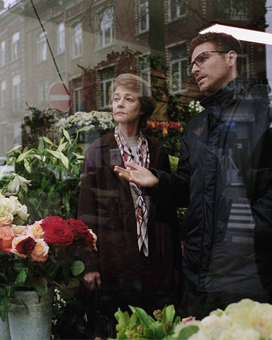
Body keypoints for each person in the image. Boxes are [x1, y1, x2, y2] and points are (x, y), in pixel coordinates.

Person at [115, 32, 272, 317]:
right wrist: (158, 181)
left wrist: (253, 225)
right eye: (191, 63)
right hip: (199, 272)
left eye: (203, 58)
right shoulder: (197, 126)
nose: (194, 69)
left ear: (231, 58)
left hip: (250, 267)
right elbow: (189, 189)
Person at [78, 73, 182, 333]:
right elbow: (86, 211)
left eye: (128, 99)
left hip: (154, 252)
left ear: (142, 107)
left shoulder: (157, 150)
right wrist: (89, 264)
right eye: (115, 99)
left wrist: (174, 256)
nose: (119, 104)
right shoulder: (98, 150)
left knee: (156, 325)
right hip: (115, 254)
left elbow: (167, 206)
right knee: (121, 326)